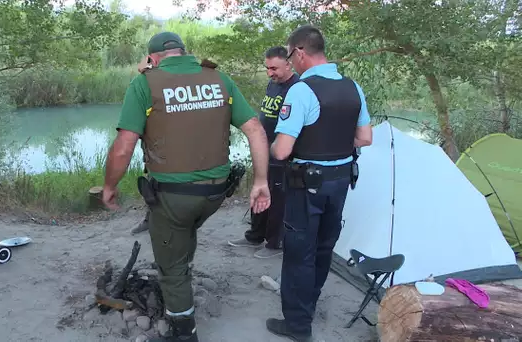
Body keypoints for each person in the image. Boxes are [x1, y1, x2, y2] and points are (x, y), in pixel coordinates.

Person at [102, 31, 272, 342]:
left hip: (174, 196)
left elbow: (124, 146)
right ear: (184, 52)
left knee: (171, 263)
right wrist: (261, 181)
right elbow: (256, 130)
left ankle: (183, 332)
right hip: (216, 193)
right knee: (185, 230)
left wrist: (109, 185)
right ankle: (184, 267)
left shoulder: (144, 84)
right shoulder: (219, 79)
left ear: (153, 59)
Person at [265, 25, 373, 341]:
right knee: (324, 247)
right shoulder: (353, 87)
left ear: (299, 52)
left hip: (306, 186)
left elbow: (283, 150)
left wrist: (271, 145)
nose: (291, 62)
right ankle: (308, 304)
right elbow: (365, 138)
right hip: (340, 182)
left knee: (300, 250)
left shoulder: (301, 90)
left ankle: (298, 325)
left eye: (289, 56)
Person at [227, 46, 300, 259]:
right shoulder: (273, 84)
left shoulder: (297, 88)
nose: (270, 73)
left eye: (274, 68)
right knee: (259, 192)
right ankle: (254, 236)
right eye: (267, 68)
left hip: (282, 154)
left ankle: (274, 244)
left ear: (289, 63)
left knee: (278, 200)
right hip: (263, 151)